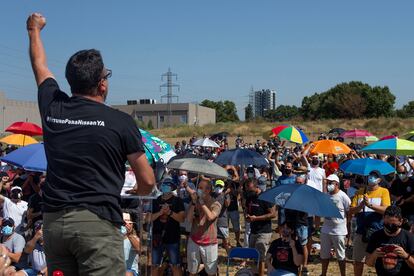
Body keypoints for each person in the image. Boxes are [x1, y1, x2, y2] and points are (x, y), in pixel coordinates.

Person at [27, 13, 155, 275]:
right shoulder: (120, 122)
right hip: (96, 224)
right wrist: (137, 190)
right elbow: (148, 180)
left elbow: (39, 66)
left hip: (54, 224)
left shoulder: (53, 107)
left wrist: (34, 31)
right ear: (102, 84)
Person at [349, 171, 391, 276]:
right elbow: (350, 211)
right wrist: (361, 205)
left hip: (377, 232)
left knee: (380, 262)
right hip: (361, 232)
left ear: (379, 180)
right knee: (358, 262)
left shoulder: (384, 191)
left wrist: (370, 205)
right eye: (370, 176)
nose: (371, 178)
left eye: (374, 177)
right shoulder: (360, 192)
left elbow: (386, 210)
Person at [187, 180, 222, 276]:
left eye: (204, 188)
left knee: (211, 272)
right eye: (200, 187)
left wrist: (202, 203)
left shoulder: (216, 204)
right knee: (192, 270)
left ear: (209, 190)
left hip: (210, 242)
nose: (201, 190)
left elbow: (211, 217)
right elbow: (189, 219)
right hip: (194, 240)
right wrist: (194, 203)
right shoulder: (194, 201)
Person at [366, 206, 414, 275]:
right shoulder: (376, 236)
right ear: (383, 219)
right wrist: (374, 255)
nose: (390, 226)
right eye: (387, 224)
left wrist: (406, 256)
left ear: (401, 222)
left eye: (394, 225)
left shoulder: (409, 237)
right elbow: (368, 263)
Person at [151, 178, 185, 276]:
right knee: (154, 265)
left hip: (173, 237)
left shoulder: (177, 201)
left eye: (167, 185)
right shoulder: (156, 200)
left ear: (172, 187)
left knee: (175, 265)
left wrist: (169, 212)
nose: (165, 187)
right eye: (163, 185)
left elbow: (182, 218)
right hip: (157, 236)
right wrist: (160, 213)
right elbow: (148, 218)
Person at [320, 174, 351, 276]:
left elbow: (349, 212)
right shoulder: (326, 195)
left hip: (339, 231)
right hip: (326, 229)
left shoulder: (343, 196)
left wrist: (347, 227)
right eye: (327, 182)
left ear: (337, 184)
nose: (328, 185)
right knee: (324, 254)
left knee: (340, 255)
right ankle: (323, 273)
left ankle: (343, 274)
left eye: (330, 183)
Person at [245, 179, 276, 276]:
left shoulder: (265, 197)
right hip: (253, 230)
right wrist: (247, 216)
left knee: (261, 257)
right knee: (253, 256)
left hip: (264, 231)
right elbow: (246, 209)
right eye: (248, 190)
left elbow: (273, 214)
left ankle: (261, 274)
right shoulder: (250, 197)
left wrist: (256, 218)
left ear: (256, 186)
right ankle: (255, 274)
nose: (249, 192)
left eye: (251, 190)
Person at [285, 175, 310, 276]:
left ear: (304, 183)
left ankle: (304, 266)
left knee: (303, 245)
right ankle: (293, 264)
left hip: (301, 223)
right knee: (291, 243)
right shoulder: (290, 193)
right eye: (297, 182)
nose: (298, 184)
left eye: (300, 182)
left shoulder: (307, 194)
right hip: (291, 222)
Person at [391, 165, 414, 231]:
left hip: (410, 211)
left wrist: (405, 200)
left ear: (406, 172)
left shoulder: (412, 182)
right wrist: (395, 198)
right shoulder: (396, 182)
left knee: (409, 228)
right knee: (399, 229)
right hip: (399, 211)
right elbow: (391, 195)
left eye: (403, 173)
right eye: (399, 173)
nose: (401, 174)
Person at [213, 180, 231, 252]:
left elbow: (227, 204)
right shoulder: (212, 194)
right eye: (217, 186)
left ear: (223, 187)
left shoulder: (226, 195)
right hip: (213, 220)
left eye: (220, 186)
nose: (218, 187)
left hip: (222, 220)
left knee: (226, 240)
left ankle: (229, 255)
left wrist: (224, 195)